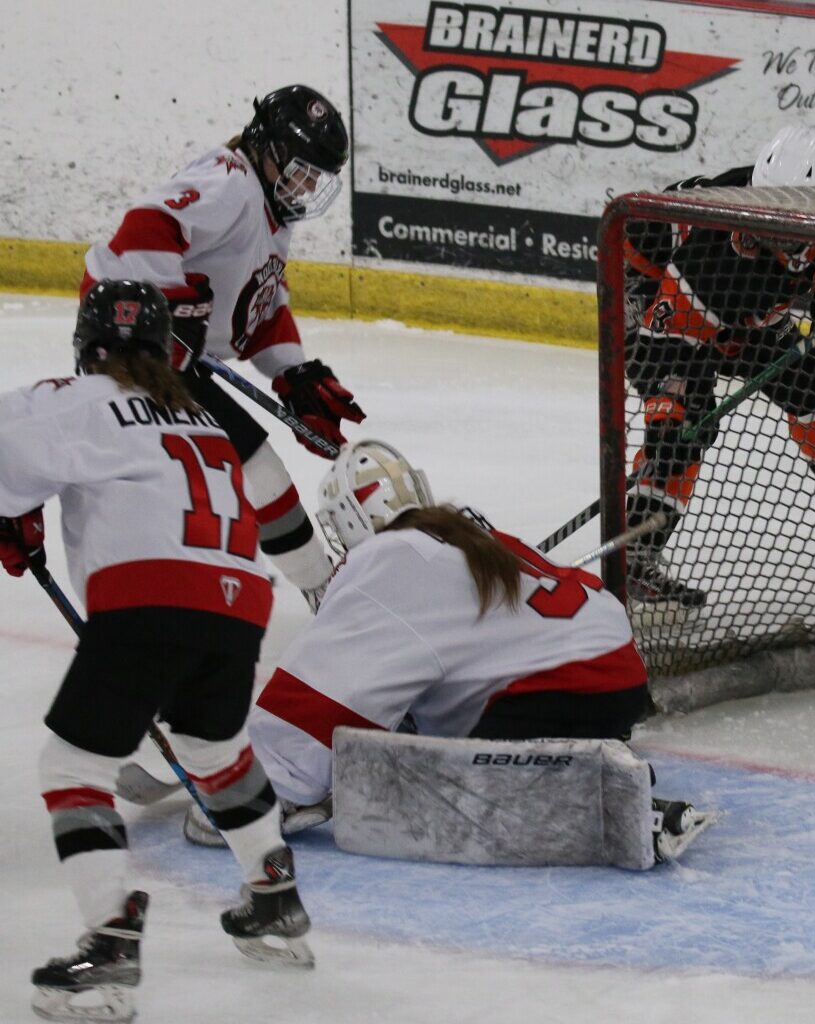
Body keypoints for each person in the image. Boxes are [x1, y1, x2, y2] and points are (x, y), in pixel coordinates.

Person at [0, 282, 314, 1024]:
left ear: (89, 343)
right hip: (241, 606)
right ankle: (272, 896)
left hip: (150, 600)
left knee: (72, 767)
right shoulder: (201, 418)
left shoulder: (80, 398)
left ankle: (108, 942)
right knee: (214, 748)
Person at [182, 438, 706, 860]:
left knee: (421, 783)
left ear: (346, 520)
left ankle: (610, 801)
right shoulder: (467, 532)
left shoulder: (392, 559)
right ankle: (587, 761)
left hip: (552, 690)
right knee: (422, 732)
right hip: (617, 673)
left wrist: (256, 787)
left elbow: (323, 697)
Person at [82, 84, 364, 609]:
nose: (306, 186)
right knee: (252, 470)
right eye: (299, 169)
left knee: (236, 472)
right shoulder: (231, 181)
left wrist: (295, 375)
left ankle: (315, 588)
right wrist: (167, 308)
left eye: (315, 177)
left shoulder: (272, 212)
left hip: (175, 359)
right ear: (266, 147)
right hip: (127, 347)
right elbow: (145, 228)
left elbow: (261, 310)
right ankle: (326, 594)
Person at [619, 124, 815, 608]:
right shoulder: (716, 249)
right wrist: (664, 418)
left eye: (778, 224)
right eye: (759, 217)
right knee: (686, 422)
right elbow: (667, 346)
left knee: (809, 381)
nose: (761, 233)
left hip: (741, 300)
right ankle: (634, 553)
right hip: (648, 283)